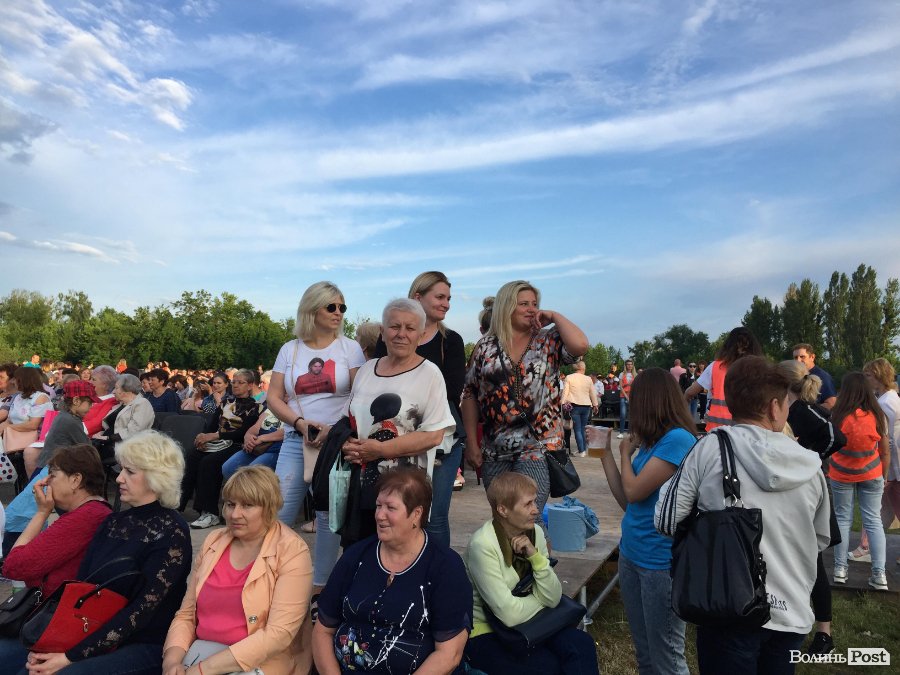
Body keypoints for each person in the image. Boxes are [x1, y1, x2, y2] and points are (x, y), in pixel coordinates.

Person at [656, 356, 829, 674]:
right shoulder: (811, 466)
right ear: (774, 407)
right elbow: (819, 539)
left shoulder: (710, 448)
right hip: (792, 611)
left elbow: (666, 520)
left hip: (727, 603)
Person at [20, 430, 191, 675]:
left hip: (145, 642)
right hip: (93, 633)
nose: (119, 478)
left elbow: (142, 611)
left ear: (157, 477)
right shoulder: (113, 522)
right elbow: (82, 588)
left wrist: (70, 656)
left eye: (130, 471)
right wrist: (55, 644)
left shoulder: (172, 530)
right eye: (121, 470)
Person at [313, 467, 472, 674]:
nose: (380, 515)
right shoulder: (356, 556)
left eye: (391, 508)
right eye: (378, 505)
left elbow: (449, 654)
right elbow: (323, 631)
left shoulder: (445, 566)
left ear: (416, 514)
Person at [163, 466, 313, 675]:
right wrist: (172, 662)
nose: (234, 514)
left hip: (261, 661)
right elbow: (186, 615)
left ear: (269, 507)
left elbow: (278, 634)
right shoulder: (213, 541)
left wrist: (203, 670)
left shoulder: (292, 550)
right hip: (203, 651)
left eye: (247, 505)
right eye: (230, 504)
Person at [266, 282, 366, 592]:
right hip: (296, 440)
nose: (339, 313)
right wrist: (299, 423)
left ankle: (322, 588)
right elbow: (273, 397)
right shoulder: (290, 349)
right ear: (312, 310)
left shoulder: (350, 348)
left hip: (335, 442)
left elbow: (360, 394)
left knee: (327, 515)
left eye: (342, 307)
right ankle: (273, 580)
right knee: (279, 511)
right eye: (331, 307)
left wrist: (333, 430)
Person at [595, 368, 695, 675]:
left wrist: (625, 454)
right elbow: (629, 503)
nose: (631, 405)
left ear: (650, 401)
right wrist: (605, 453)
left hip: (660, 563)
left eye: (635, 399)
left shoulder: (678, 440)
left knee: (667, 657)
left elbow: (634, 491)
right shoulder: (653, 441)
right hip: (632, 554)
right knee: (646, 653)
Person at [462, 280, 589, 516]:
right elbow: (470, 393)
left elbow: (580, 345)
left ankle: (538, 544)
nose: (532, 309)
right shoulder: (485, 346)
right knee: (502, 516)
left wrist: (555, 316)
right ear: (506, 307)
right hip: (495, 448)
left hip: (538, 446)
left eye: (535, 304)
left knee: (528, 516)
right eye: (523, 304)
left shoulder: (548, 339)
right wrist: (471, 441)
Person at [343, 298, 456, 542]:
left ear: (421, 335)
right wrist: (345, 443)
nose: (401, 334)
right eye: (394, 326)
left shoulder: (429, 374)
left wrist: (380, 450)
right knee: (359, 549)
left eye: (410, 328)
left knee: (398, 551)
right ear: (382, 332)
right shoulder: (366, 370)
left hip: (404, 492)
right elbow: (348, 420)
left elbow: (434, 434)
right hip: (360, 487)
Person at [464, 472, 599, 675]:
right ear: (503, 509)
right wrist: (540, 599)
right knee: (546, 667)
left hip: (533, 622)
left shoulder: (535, 533)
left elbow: (553, 597)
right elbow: (508, 615)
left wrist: (535, 556)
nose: (536, 509)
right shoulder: (483, 545)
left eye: (535, 502)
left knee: (582, 645)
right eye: (528, 504)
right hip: (489, 630)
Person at [372, 272, 467, 547]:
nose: (446, 304)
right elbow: (378, 381)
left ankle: (436, 568)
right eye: (440, 297)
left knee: (433, 516)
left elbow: (451, 390)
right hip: (392, 437)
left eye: (448, 298)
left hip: (441, 440)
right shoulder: (388, 338)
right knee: (394, 511)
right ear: (417, 297)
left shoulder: (451, 341)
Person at [0, 445, 111, 672]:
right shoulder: (94, 512)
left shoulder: (85, 517)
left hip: (53, 625)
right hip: (52, 619)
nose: (46, 481)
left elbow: (13, 566)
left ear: (75, 480)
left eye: (53, 474)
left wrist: (41, 513)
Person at [776, 360, 846, 657]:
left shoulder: (804, 410)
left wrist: (812, 458)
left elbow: (837, 437)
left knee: (814, 563)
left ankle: (824, 631)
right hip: (785, 493)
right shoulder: (780, 409)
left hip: (806, 492)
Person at [829, 372, 891, 591]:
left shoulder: (837, 415)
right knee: (873, 521)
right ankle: (879, 574)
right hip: (871, 473)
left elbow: (831, 445)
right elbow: (885, 451)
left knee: (842, 519)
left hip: (841, 474)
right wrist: (883, 475)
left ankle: (840, 569)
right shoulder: (878, 415)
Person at [183, 369, 263, 529]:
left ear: (250, 386)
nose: (236, 385)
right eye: (234, 382)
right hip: (218, 442)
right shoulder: (226, 403)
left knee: (209, 462)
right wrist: (204, 436)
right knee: (193, 455)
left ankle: (210, 512)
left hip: (237, 445)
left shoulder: (256, 408)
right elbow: (213, 425)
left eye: (240, 382)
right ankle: (177, 504)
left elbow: (243, 433)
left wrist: (215, 436)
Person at [859, 358, 900, 568]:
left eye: (868, 375)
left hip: (892, 467)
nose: (865, 379)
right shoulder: (887, 398)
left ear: (879, 377)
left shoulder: (885, 403)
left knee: (877, 507)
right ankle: (866, 547)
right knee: (878, 508)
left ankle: (866, 547)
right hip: (891, 466)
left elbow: (888, 440)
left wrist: (885, 470)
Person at [684, 327, 762, 430]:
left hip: (718, 432)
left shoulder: (715, 367)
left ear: (728, 346)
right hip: (749, 431)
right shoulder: (759, 369)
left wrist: (685, 405)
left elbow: (690, 392)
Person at [34, 380, 99, 471]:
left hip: (50, 464)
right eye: (90, 403)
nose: (91, 406)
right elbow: (87, 448)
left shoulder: (64, 415)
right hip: (52, 469)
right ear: (76, 401)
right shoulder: (70, 421)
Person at [0, 366, 53, 477]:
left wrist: (8, 428)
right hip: (17, 437)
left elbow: (33, 425)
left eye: (15, 379)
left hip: (37, 439)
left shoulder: (40, 398)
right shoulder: (18, 397)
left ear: (23, 380)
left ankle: (31, 483)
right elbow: (9, 420)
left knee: (29, 453)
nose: (12, 382)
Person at [91, 374, 155, 460]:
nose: (113, 392)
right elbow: (113, 426)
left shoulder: (142, 403)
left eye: (116, 388)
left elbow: (135, 431)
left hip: (126, 448)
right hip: (108, 444)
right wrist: (102, 433)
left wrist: (108, 438)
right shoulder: (120, 405)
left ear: (127, 390)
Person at [221, 405, 284, 479]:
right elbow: (256, 426)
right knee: (228, 468)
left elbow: (289, 432)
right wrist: (249, 436)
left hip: (276, 448)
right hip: (258, 445)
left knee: (252, 473)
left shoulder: (294, 407)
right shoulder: (273, 406)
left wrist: (262, 438)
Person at [562, 360, 599, 457]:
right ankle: (583, 449)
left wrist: (562, 403)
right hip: (586, 406)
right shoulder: (588, 379)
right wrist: (595, 405)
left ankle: (581, 451)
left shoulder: (569, 377)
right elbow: (592, 393)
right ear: (583, 368)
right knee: (583, 428)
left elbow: (565, 392)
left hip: (574, 406)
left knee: (577, 429)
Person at [792, 344, 837, 409]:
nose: (798, 360)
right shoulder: (796, 376)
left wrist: (808, 411)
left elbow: (831, 403)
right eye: (796, 357)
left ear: (812, 357)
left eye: (802, 357)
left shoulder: (822, 377)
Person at [82, 365, 119, 436]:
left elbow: (96, 424)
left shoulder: (112, 402)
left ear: (105, 385)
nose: (89, 382)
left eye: (93, 379)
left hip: (84, 438)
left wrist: (70, 428)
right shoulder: (89, 396)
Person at [617, 359, 636, 438]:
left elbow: (636, 387)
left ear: (633, 365)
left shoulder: (635, 375)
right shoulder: (622, 374)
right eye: (628, 364)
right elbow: (620, 387)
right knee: (623, 414)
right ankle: (621, 432)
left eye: (631, 364)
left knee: (632, 415)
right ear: (625, 365)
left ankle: (631, 432)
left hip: (632, 396)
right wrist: (626, 397)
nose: (629, 366)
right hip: (623, 395)